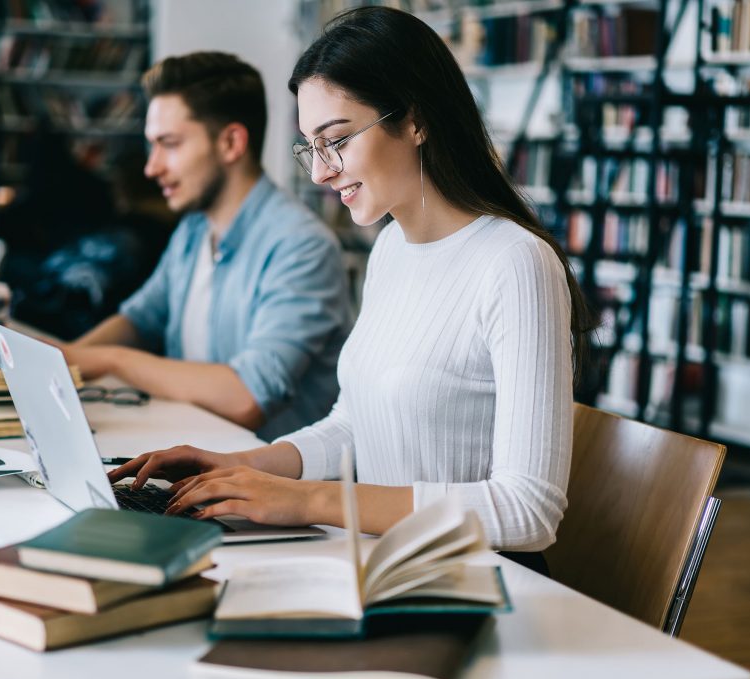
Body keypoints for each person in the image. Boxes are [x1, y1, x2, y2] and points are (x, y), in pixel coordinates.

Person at [110, 7, 596, 562]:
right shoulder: (391, 248)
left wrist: (310, 501)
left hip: (472, 581)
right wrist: (240, 466)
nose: (319, 173)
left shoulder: (515, 262)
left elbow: (527, 512)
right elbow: (353, 426)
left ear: (415, 120)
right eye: (310, 147)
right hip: (379, 561)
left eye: (336, 140)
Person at [63, 52, 351, 441]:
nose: (152, 167)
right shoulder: (194, 230)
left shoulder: (302, 246)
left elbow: (248, 396)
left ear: (231, 142)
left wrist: (107, 361)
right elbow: (140, 319)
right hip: (193, 462)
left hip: (265, 488)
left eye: (169, 144)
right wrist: (58, 364)